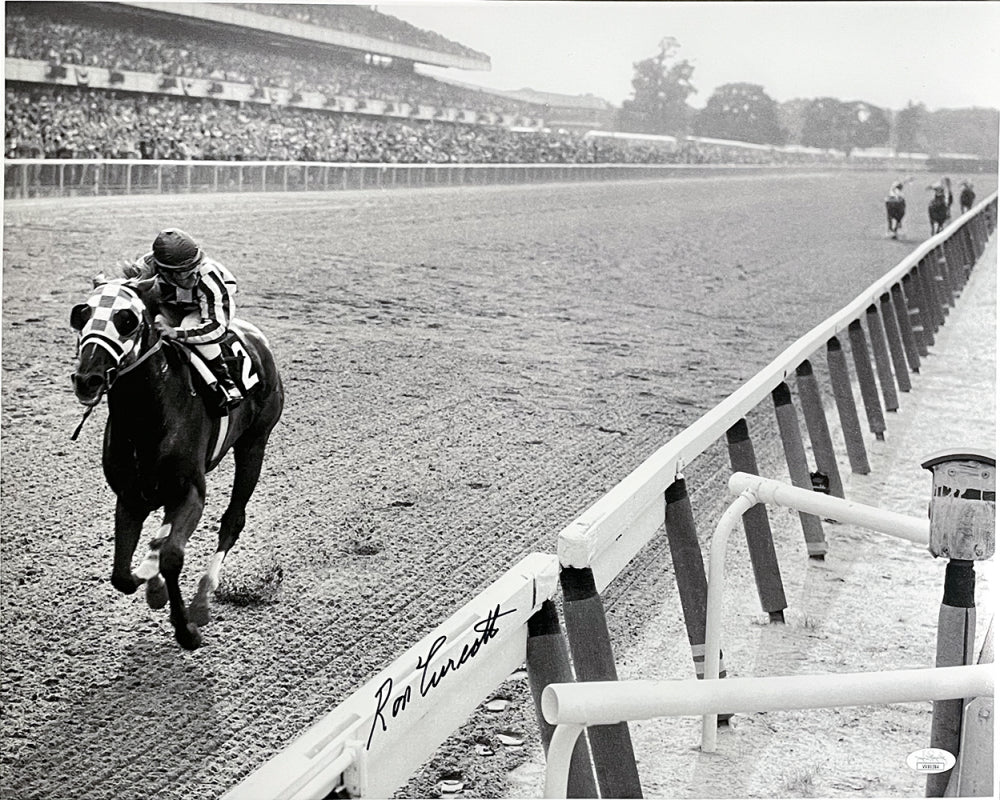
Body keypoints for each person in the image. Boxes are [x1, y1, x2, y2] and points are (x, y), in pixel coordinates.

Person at [125, 228, 243, 409]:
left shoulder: (208, 276)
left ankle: (226, 382)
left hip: (205, 305)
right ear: (162, 269)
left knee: (188, 324)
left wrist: (178, 333)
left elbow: (216, 327)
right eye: (181, 271)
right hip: (171, 302)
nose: (190, 275)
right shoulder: (147, 267)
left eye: (192, 268)